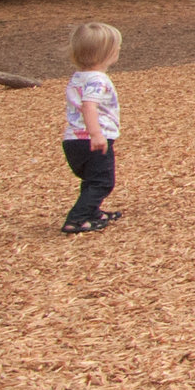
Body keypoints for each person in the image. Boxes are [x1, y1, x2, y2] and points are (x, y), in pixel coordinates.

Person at [62, 22, 123, 234]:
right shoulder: (98, 80)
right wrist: (96, 134)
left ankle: (92, 211)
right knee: (102, 182)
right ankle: (76, 219)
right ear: (106, 54)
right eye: (116, 49)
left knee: (92, 180)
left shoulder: (79, 77)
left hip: (72, 141)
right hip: (92, 139)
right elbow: (89, 105)